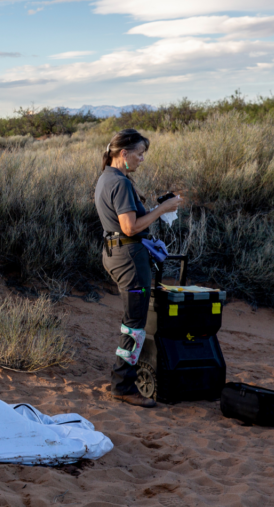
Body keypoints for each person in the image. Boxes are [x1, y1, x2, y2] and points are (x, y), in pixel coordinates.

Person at [94, 129, 182, 408]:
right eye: (140, 153)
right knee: (134, 325)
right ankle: (123, 386)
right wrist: (163, 208)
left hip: (119, 254)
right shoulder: (118, 182)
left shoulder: (108, 178)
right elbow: (129, 227)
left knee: (134, 321)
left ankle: (125, 379)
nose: (142, 159)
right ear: (124, 153)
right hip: (129, 258)